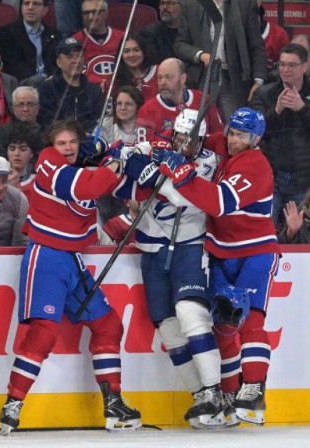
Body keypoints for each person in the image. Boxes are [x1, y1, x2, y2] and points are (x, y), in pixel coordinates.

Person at [0, 120, 141, 435]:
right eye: (62, 142)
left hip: (73, 260)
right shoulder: (48, 160)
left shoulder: (82, 167)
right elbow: (86, 188)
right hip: (46, 255)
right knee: (44, 332)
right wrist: (113, 164)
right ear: (52, 145)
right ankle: (13, 402)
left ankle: (113, 402)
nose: (68, 148)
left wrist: (129, 159)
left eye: (73, 142)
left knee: (108, 325)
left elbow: (116, 187)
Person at [156, 107, 278, 426]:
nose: (234, 140)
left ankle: (253, 388)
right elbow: (197, 141)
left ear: (256, 139)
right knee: (223, 328)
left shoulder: (256, 164)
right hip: (221, 250)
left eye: (242, 136)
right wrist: (174, 144)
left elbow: (218, 202)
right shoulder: (226, 144)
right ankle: (227, 394)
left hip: (255, 250)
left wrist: (181, 174)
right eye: (232, 133)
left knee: (249, 320)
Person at [120, 109, 228, 428]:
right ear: (174, 134)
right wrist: (143, 165)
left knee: (190, 313)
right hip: (153, 247)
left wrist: (156, 177)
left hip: (190, 245)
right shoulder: (160, 149)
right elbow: (127, 155)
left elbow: (182, 196)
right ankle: (199, 398)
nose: (186, 144)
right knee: (167, 327)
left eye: (193, 139)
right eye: (182, 137)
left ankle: (214, 391)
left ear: (201, 139)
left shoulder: (209, 163)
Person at [174, 0, 267, 120]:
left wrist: (258, 81)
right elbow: (180, 44)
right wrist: (201, 55)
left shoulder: (245, 4)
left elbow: (257, 46)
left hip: (234, 79)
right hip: (202, 77)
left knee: (233, 125)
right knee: (199, 124)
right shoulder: (191, 4)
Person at [249, 43, 310, 226]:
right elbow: (254, 134)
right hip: (270, 177)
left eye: (291, 65)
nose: (285, 69)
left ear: (304, 66)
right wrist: (276, 110)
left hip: (303, 180)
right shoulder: (263, 94)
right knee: (265, 230)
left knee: (300, 234)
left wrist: (302, 109)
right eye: (281, 64)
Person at [136, 58, 223, 143]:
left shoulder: (204, 100)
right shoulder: (147, 110)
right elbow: (142, 150)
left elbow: (218, 137)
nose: (162, 82)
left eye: (168, 77)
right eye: (159, 77)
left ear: (183, 78)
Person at [37, 38, 103, 133]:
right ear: (59, 62)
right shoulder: (47, 88)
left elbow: (97, 122)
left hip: (88, 142)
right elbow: (46, 122)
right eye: (69, 56)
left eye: (79, 56)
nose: (75, 61)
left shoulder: (94, 90)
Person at [0, 0, 62, 82]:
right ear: (21, 8)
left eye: (36, 4)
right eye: (26, 3)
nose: (30, 7)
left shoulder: (55, 35)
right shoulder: (7, 32)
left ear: (45, 10)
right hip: (22, 85)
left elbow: (58, 64)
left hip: (51, 83)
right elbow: (12, 66)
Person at [71, 0, 123, 90]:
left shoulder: (123, 37)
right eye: (86, 13)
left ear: (106, 13)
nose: (91, 17)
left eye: (95, 12)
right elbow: (72, 70)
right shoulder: (75, 40)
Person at [0, 86, 44, 158]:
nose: (25, 109)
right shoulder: (1, 133)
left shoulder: (45, 133)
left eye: (30, 104)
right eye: (20, 105)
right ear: (13, 109)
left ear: (38, 108)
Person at [115, 36, 159, 102]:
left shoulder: (159, 71)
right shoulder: (117, 78)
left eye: (136, 50)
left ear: (144, 51)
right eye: (126, 51)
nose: (131, 55)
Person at [138, 0, 183, 64]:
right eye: (162, 3)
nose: (165, 7)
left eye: (170, 3)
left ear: (182, 7)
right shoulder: (149, 33)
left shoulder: (192, 30)